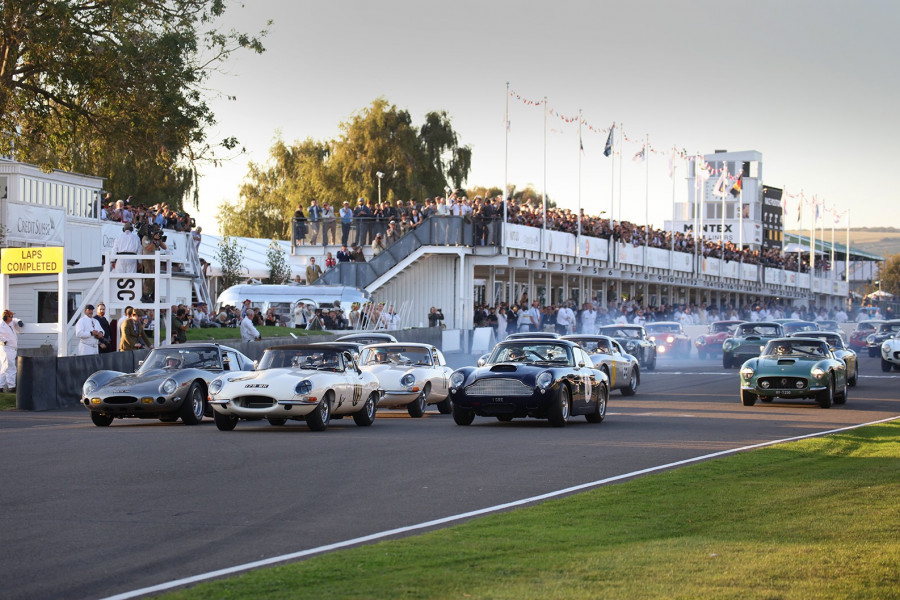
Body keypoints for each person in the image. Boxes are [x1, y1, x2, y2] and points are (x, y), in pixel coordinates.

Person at [0, 309, 21, 392]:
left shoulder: (10, 323)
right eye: (10, 316)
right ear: (5, 317)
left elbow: (15, 320)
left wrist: (19, 321)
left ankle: (1, 386)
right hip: (7, 348)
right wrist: (3, 341)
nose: (12, 318)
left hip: (11, 348)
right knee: (10, 367)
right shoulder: (2, 326)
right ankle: (11, 386)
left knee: (4, 367)